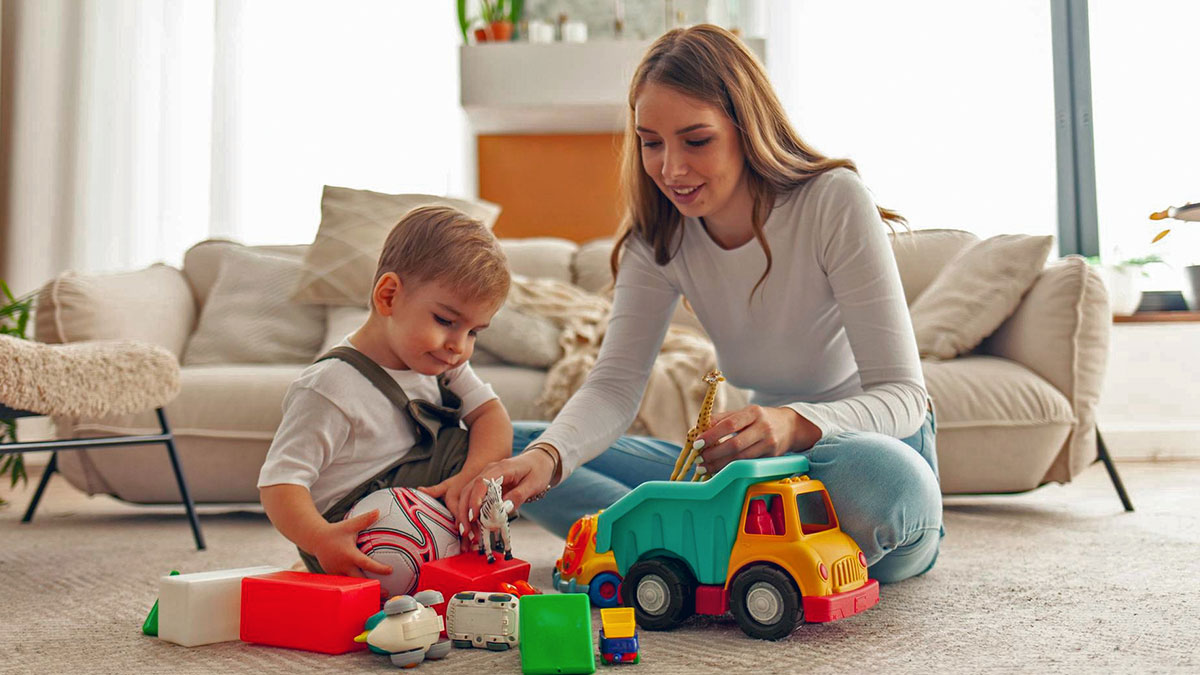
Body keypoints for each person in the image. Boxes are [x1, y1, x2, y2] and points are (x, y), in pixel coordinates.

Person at [459, 24, 942, 583]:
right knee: (515, 451)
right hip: (756, 477)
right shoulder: (659, 239)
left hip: (862, 461)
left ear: (746, 129)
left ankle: (667, 538)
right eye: (651, 142)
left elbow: (904, 397)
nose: (670, 169)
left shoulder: (832, 201)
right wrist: (548, 459)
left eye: (696, 140)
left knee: (882, 484)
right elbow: (615, 387)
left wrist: (793, 423)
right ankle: (696, 544)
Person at [258, 206, 513, 578]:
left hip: (427, 511)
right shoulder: (330, 387)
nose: (459, 346)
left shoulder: (446, 363)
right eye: (446, 321)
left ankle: (459, 564)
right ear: (389, 296)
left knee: (484, 452)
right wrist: (320, 539)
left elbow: (492, 416)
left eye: (474, 332)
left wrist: (470, 478)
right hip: (352, 539)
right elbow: (280, 482)